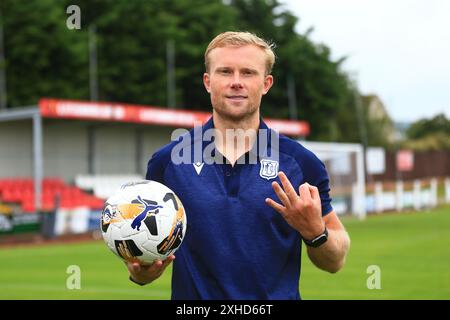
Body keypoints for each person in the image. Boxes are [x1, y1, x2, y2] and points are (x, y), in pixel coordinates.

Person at [125, 31, 350, 299]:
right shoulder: (167, 162)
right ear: (208, 82)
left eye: (247, 73)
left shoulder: (301, 163)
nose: (236, 82)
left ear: (266, 83)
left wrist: (316, 233)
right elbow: (145, 246)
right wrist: (141, 271)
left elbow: (335, 261)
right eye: (225, 72)